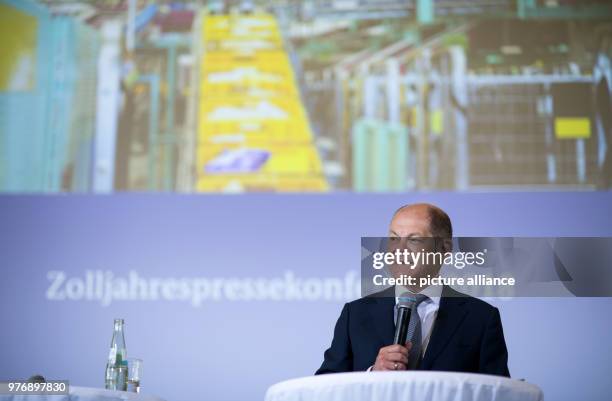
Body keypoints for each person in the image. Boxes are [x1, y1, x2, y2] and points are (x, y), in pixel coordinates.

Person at [315, 203, 510, 376]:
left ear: (444, 248)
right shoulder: (355, 314)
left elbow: (498, 392)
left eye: (414, 240)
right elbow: (325, 387)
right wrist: (372, 374)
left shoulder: (482, 318)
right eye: (393, 239)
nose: (399, 250)